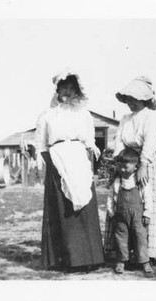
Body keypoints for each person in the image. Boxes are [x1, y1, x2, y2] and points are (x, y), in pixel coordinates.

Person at [35, 69, 104, 271]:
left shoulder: (83, 114)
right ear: (56, 90)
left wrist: (90, 150)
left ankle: (89, 258)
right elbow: (41, 146)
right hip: (57, 160)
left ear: (77, 90)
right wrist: (54, 167)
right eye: (63, 87)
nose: (67, 91)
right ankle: (65, 260)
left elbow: (89, 140)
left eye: (71, 88)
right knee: (63, 209)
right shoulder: (46, 116)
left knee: (84, 207)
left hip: (79, 160)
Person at [103, 76, 156, 263]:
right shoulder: (125, 119)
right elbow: (119, 141)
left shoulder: (152, 116)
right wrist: (119, 162)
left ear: (144, 99)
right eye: (128, 99)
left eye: (134, 98)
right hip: (126, 162)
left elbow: (150, 142)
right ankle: (123, 251)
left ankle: (145, 254)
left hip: (145, 162)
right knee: (122, 203)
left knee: (144, 204)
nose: (131, 103)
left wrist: (143, 165)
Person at [106, 148, 153, 274]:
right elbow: (111, 197)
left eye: (126, 167)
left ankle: (144, 261)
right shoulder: (117, 181)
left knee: (140, 237)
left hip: (138, 216)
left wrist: (147, 213)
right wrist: (111, 211)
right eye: (120, 166)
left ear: (136, 166)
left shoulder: (140, 181)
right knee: (121, 237)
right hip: (120, 216)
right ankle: (121, 261)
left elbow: (148, 197)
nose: (122, 169)